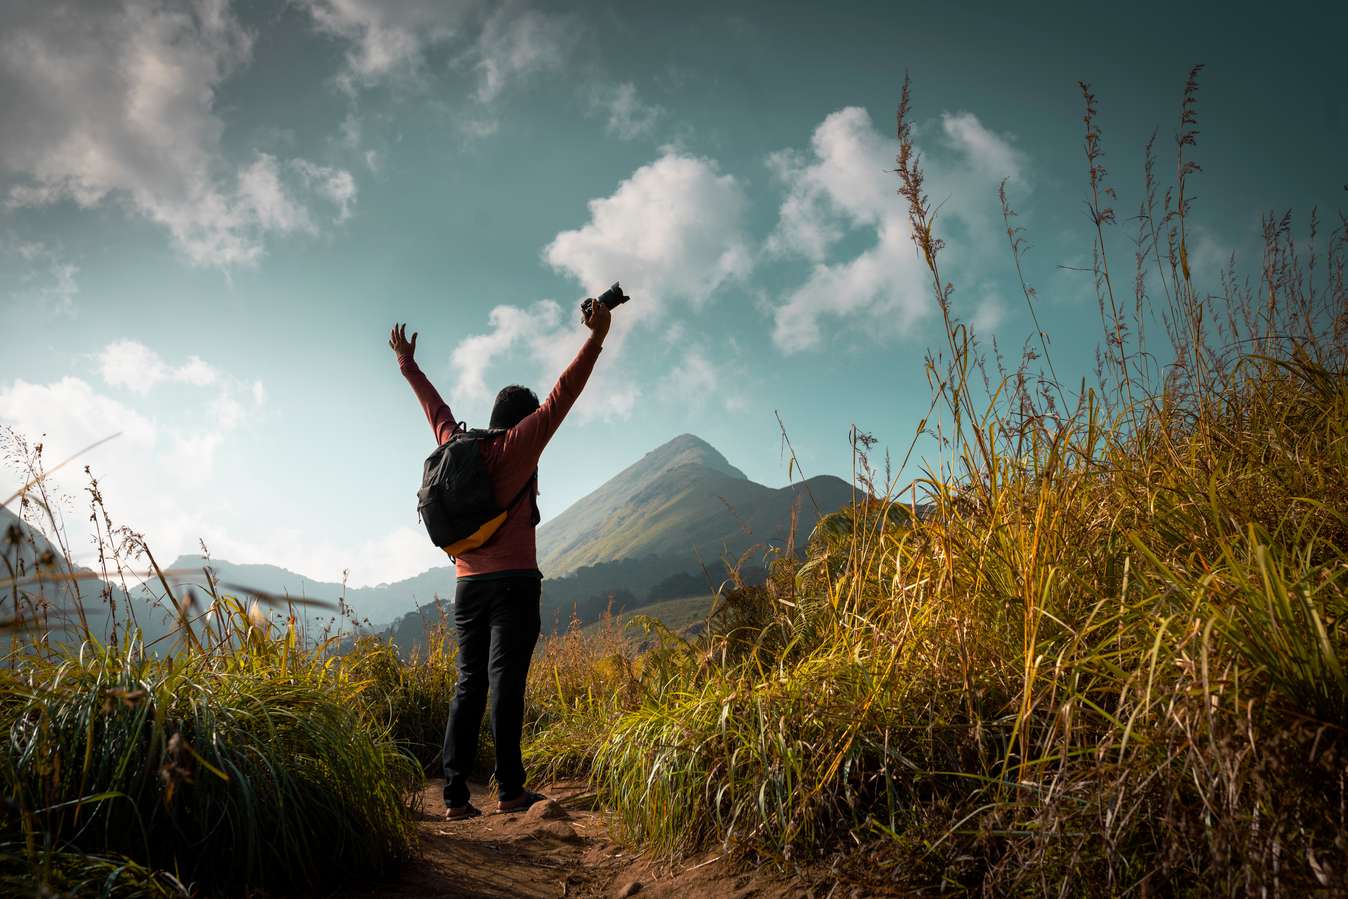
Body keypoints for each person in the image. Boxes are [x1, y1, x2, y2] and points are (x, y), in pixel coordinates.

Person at [388, 298, 612, 820]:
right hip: (514, 583)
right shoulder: (519, 446)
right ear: (523, 419)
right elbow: (564, 393)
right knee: (506, 683)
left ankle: (454, 797)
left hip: (467, 587)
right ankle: (511, 790)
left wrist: (406, 362)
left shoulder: (456, 443)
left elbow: (436, 410)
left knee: (469, 683)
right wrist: (597, 337)